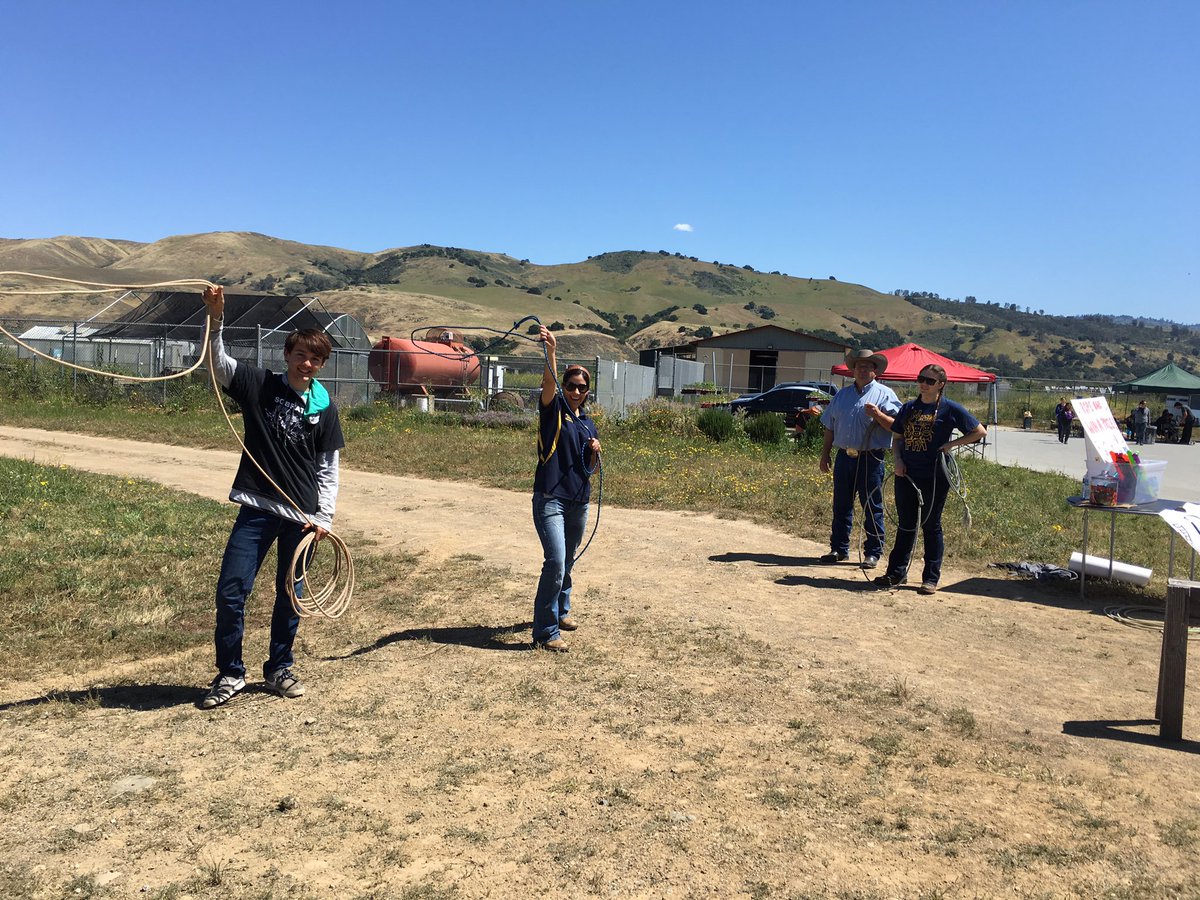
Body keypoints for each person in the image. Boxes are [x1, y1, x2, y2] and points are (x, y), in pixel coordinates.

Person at [199, 286, 345, 708]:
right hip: (257, 507)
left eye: (315, 359)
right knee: (231, 590)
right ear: (287, 354)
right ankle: (230, 673)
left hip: (301, 516)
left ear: (321, 364)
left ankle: (279, 666)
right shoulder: (259, 385)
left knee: (291, 593)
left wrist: (325, 518)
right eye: (300, 354)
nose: (306, 363)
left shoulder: (324, 407)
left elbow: (328, 468)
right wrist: (216, 317)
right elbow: (219, 364)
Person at [867, 365, 986, 595]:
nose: (923, 384)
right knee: (905, 524)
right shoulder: (910, 407)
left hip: (934, 475)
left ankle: (930, 578)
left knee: (931, 525)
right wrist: (898, 461)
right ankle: (895, 573)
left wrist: (951, 445)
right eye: (921, 379)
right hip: (907, 474)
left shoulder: (950, 408)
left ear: (941, 384)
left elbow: (979, 431)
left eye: (930, 381)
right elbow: (898, 436)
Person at [531, 325, 601, 652]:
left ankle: (561, 611)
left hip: (579, 501)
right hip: (551, 500)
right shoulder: (553, 410)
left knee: (568, 560)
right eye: (571, 386)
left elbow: (590, 467)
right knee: (556, 561)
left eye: (581, 387)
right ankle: (545, 631)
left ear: (588, 391)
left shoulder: (588, 422)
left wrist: (595, 451)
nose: (575, 392)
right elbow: (548, 383)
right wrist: (552, 352)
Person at [819, 349, 901, 569]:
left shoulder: (885, 394)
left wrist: (878, 415)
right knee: (841, 505)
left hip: (871, 458)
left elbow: (896, 426)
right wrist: (825, 454)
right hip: (844, 457)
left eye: (867, 367)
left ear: (875, 371)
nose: (863, 370)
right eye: (859, 366)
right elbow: (829, 426)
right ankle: (838, 548)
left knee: (872, 505)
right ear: (852, 370)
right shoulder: (842, 395)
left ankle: (873, 552)